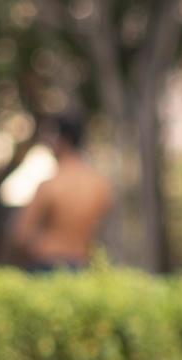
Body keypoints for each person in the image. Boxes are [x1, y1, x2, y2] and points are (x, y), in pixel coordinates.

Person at [8, 110, 113, 271]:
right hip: (83, 265)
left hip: (46, 266)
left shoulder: (50, 185)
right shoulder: (100, 186)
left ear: (61, 141)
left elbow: (21, 235)